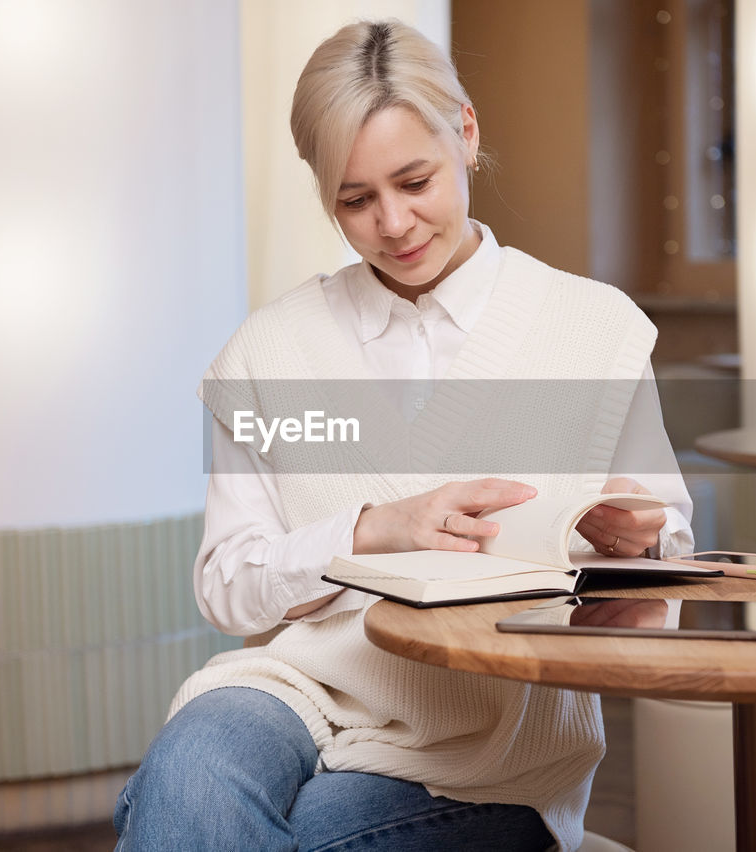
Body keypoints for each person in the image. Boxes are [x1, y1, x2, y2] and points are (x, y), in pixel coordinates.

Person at [113, 19, 694, 852]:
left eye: (414, 180)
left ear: (466, 131)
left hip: (490, 744)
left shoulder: (592, 329)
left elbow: (671, 557)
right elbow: (227, 586)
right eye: (355, 199)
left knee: (261, 834)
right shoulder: (267, 352)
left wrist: (634, 555)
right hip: (290, 690)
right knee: (190, 781)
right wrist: (367, 532)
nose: (393, 223)